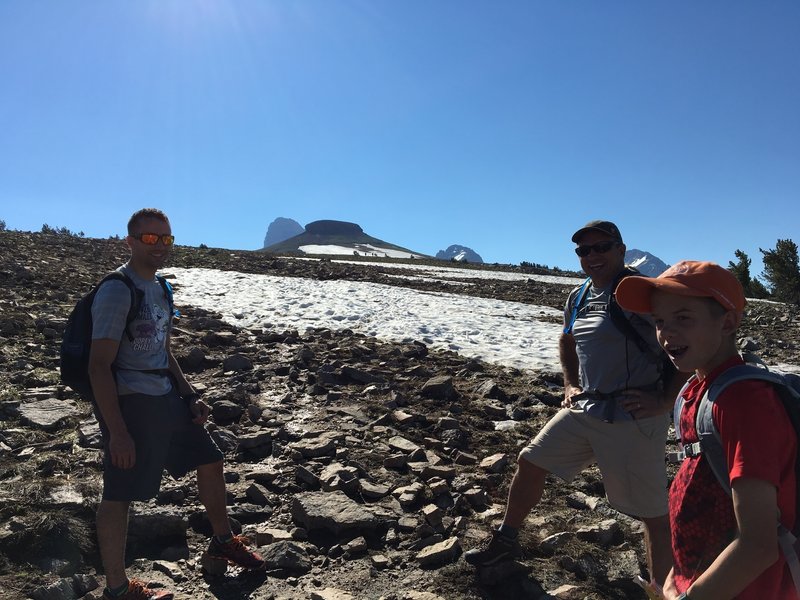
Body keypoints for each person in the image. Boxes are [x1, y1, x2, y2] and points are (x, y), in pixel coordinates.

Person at [465, 220, 683, 588]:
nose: (592, 256)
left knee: (653, 517)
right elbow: (567, 341)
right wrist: (570, 383)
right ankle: (506, 541)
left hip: (632, 418)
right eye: (584, 250)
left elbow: (681, 343)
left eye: (601, 247)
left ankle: (664, 593)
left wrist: (664, 399)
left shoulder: (643, 292)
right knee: (531, 460)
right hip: (586, 408)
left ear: (620, 249)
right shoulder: (579, 295)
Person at [89, 209, 265, 600]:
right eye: (150, 239)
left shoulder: (161, 289)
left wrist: (188, 394)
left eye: (165, 239)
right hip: (131, 403)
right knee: (120, 491)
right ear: (131, 241)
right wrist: (117, 431)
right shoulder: (118, 289)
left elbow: (162, 351)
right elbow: (98, 366)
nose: (159, 246)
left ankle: (222, 540)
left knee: (210, 457)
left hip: (165, 396)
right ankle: (117, 589)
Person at [615, 260, 797, 599]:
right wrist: (677, 573)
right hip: (701, 580)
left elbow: (758, 544)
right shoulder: (697, 391)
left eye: (683, 318)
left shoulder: (744, 402)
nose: (666, 333)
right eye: (659, 321)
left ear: (728, 322)